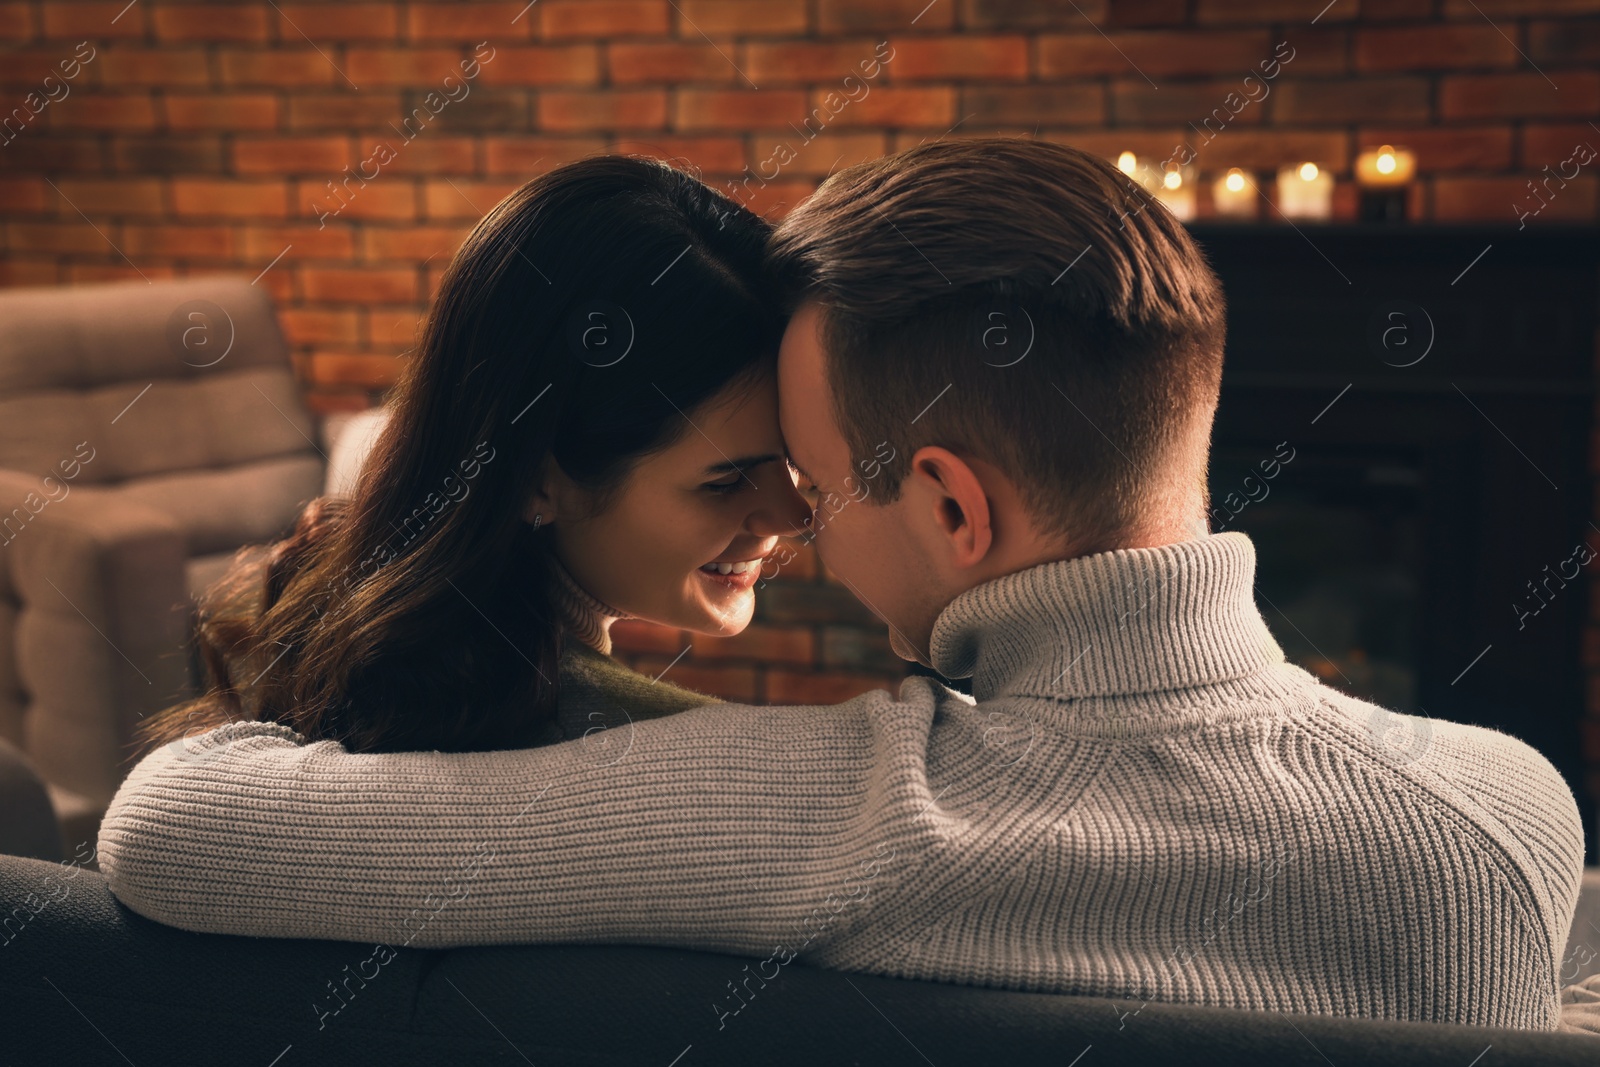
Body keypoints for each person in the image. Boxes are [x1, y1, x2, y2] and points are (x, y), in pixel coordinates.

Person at [99, 139, 1588, 1032]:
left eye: (814, 475)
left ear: (947, 500)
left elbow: (172, 820)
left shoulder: (835, 810)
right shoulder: (1507, 819)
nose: (800, 524)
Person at [129, 154, 812, 761]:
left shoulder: (413, 666)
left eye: (792, 458)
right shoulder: (643, 755)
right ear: (536, 481)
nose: (794, 510)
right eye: (724, 481)